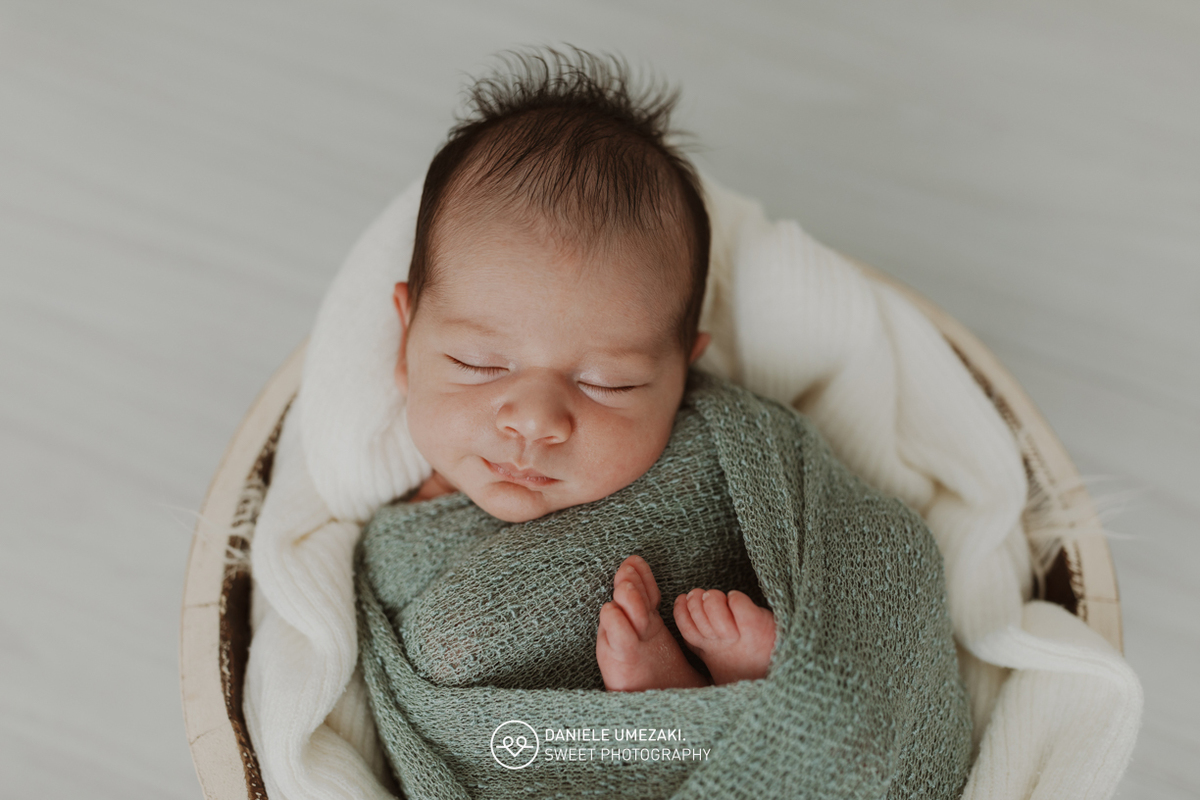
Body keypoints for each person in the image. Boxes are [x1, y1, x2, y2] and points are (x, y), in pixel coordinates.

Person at [385, 47, 776, 693]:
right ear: (406, 346)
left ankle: (737, 694)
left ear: (684, 376)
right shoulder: (402, 510)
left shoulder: (724, 462)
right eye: (477, 364)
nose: (535, 421)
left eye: (608, 383)